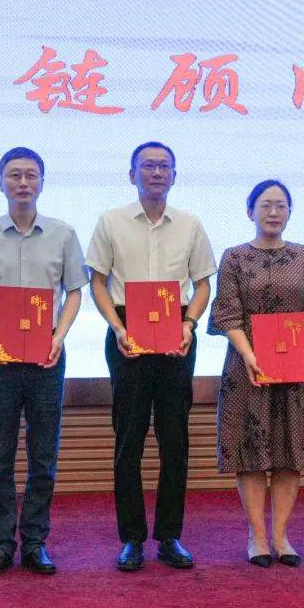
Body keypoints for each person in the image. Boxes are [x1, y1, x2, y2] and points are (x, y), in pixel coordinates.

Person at [85, 141, 216, 571]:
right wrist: (117, 327)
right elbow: (97, 281)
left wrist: (190, 323)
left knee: (175, 438)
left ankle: (170, 535)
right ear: (132, 174)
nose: (156, 173)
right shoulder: (111, 221)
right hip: (127, 331)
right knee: (129, 438)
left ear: (174, 175)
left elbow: (203, 284)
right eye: (148, 166)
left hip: (177, 331)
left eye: (164, 166)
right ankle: (132, 538)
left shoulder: (191, 224)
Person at [0, 147, 88, 576]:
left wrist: (59, 336)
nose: (23, 182)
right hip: (0, 356)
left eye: (31, 175)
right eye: (14, 175)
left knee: (43, 457)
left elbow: (75, 292)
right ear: (0, 182)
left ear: (43, 182)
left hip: (48, 356)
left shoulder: (63, 234)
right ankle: (0, 542)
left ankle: (35, 542)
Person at [208, 180, 304, 568]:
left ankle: (281, 536)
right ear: (250, 211)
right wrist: (249, 354)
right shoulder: (234, 257)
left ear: (290, 212)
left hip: (296, 367)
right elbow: (226, 313)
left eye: (281, 205)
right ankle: (257, 536)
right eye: (265, 205)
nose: (274, 212)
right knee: (249, 454)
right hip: (247, 367)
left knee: (290, 452)